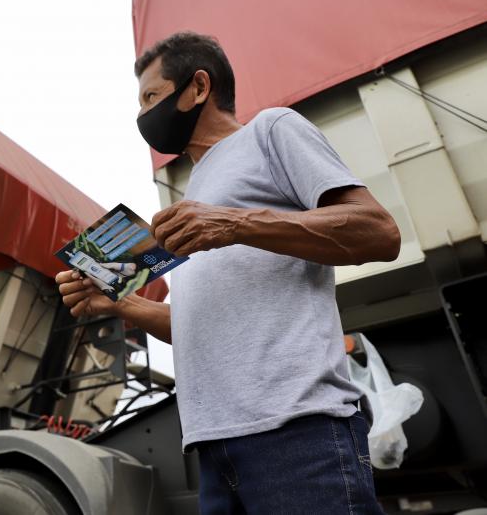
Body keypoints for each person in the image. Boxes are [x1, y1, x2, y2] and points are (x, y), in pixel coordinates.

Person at [56, 32, 400, 513]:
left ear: (199, 86)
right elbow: (198, 329)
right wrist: (121, 302)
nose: (143, 116)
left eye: (151, 97)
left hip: (296, 433)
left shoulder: (270, 131)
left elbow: (379, 233)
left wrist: (234, 222)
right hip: (215, 450)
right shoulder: (194, 189)